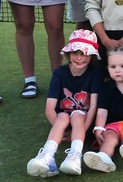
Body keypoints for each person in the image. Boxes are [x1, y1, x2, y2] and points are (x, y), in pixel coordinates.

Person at [26, 30, 102, 177]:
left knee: (77, 115)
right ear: (68, 54)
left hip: (83, 121)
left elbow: (93, 106)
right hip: (61, 121)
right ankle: (47, 156)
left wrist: (82, 130)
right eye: (75, 53)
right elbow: (49, 108)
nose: (79, 58)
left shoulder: (95, 73)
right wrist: (63, 133)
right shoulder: (59, 73)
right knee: (63, 116)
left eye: (84, 54)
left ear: (91, 56)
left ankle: (75, 155)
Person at [84, 46, 123, 173]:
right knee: (109, 140)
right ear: (108, 68)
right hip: (111, 126)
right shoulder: (105, 88)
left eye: (122, 66)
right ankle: (104, 159)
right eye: (113, 67)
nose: (117, 70)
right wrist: (99, 128)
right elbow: (102, 111)